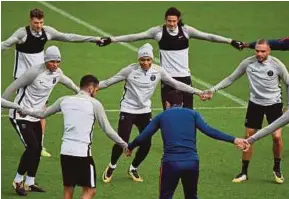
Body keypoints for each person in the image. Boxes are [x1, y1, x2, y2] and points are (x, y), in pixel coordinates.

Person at [97, 7, 244, 110]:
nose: (172, 24)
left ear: (178, 20)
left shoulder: (186, 31)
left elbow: (209, 37)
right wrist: (112, 39)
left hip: (185, 77)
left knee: (188, 113)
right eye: (169, 21)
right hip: (167, 79)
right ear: (165, 20)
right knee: (168, 114)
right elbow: (135, 36)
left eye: (174, 21)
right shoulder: (158, 32)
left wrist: (230, 41)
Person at [1, 8, 102, 157]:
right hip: (23, 78)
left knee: (42, 110)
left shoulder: (46, 32)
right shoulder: (22, 34)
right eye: (36, 23)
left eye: (41, 22)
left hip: (42, 76)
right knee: (21, 109)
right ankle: (30, 142)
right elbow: (6, 44)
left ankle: (39, 144)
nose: (39, 26)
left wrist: (93, 38)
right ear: (30, 21)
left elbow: (69, 37)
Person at [100, 43, 204, 183]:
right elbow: (107, 82)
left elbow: (176, 84)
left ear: (152, 60)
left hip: (145, 111)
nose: (145, 63)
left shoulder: (158, 71)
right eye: (142, 60)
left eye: (148, 59)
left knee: (146, 142)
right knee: (122, 141)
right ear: (138, 60)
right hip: (128, 109)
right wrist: (86, 90)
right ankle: (112, 166)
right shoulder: (129, 71)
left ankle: (133, 168)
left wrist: (198, 92)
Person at [19, 75, 128, 199]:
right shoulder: (95, 104)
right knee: (90, 191)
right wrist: (124, 144)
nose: (96, 92)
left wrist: (26, 111)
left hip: (65, 152)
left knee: (68, 191)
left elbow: (42, 113)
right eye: (96, 89)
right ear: (91, 88)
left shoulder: (64, 100)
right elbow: (108, 130)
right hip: (82, 153)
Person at [126, 90, 247, 199]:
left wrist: (130, 147)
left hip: (170, 163)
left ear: (167, 103)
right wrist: (234, 139)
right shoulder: (193, 114)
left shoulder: (161, 116)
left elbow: (143, 136)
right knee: (191, 196)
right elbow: (210, 131)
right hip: (191, 162)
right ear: (182, 103)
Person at [205, 39, 289, 184]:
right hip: (255, 104)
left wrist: (287, 105)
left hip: (274, 104)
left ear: (269, 51)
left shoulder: (277, 64)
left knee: (276, 137)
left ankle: (276, 168)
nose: (259, 54)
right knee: (248, 137)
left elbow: (288, 82)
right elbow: (231, 78)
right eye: (257, 51)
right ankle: (244, 172)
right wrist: (213, 89)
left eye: (263, 51)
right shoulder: (248, 63)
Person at [2, 46, 80, 196]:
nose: (55, 65)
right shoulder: (33, 73)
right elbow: (11, 88)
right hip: (21, 114)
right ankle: (18, 181)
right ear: (45, 60)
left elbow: (68, 82)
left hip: (37, 115)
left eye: (58, 61)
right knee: (31, 147)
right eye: (52, 61)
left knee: (37, 149)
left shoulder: (57, 73)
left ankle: (30, 182)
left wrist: (79, 92)